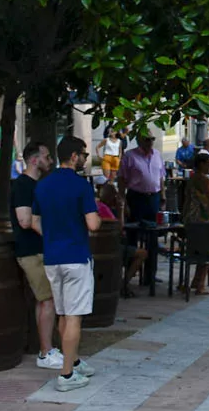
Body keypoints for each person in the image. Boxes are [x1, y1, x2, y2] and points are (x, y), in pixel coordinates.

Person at [31, 136, 100, 392]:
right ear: (73, 156)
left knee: (62, 312)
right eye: (83, 153)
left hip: (52, 258)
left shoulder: (43, 185)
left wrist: (51, 236)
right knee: (74, 317)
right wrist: (99, 221)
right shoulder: (81, 186)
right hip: (76, 257)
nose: (84, 158)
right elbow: (92, 224)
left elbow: (34, 221)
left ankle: (73, 360)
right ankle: (67, 374)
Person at [12, 141, 61, 369]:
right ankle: (45, 352)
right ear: (34, 160)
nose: (49, 160)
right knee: (47, 301)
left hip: (40, 250)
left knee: (46, 300)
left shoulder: (36, 185)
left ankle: (46, 348)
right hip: (32, 251)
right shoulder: (23, 186)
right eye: (46, 156)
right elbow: (24, 220)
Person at [184, 151, 209, 294]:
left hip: (190, 219)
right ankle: (200, 285)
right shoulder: (204, 180)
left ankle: (195, 281)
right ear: (201, 164)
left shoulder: (192, 178)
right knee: (208, 251)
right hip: (202, 220)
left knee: (196, 250)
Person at [117, 133, 165, 226]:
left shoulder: (157, 154)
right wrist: (123, 201)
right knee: (134, 228)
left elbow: (161, 176)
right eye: (147, 139)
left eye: (152, 139)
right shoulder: (129, 156)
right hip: (136, 198)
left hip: (154, 198)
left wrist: (163, 196)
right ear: (139, 140)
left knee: (153, 229)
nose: (150, 142)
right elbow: (121, 179)